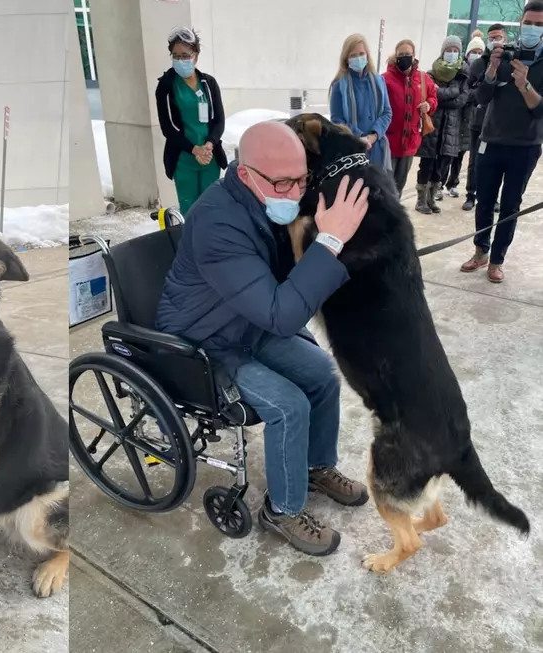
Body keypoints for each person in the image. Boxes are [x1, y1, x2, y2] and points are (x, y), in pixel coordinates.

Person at [155, 121, 371, 557]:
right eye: (283, 183)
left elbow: (276, 301)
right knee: (288, 406)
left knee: (323, 375)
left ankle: (314, 466)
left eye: (301, 179)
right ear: (244, 173)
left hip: (246, 322)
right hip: (204, 342)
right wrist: (329, 241)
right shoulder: (218, 224)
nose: (295, 193)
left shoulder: (265, 195)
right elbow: (281, 312)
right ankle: (283, 510)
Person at [463, 1, 543, 283]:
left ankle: (497, 259)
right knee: (484, 200)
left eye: (539, 25)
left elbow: (540, 111)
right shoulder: (504, 55)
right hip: (491, 140)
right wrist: (492, 70)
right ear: (520, 23)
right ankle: (480, 250)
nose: (532, 29)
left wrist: (525, 85)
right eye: (529, 22)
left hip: (525, 146)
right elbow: (481, 99)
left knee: (510, 205)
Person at [155, 26, 228, 216]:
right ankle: (192, 245)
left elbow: (219, 120)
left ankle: (211, 245)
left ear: (196, 55)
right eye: (176, 55)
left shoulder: (208, 83)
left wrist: (209, 145)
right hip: (184, 159)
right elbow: (167, 127)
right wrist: (194, 149)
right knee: (190, 212)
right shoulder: (166, 85)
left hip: (209, 158)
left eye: (185, 55)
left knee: (211, 210)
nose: (180, 60)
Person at [414, 35, 472, 215]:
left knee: (442, 165)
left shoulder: (463, 75)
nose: (452, 54)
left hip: (452, 129)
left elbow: (461, 100)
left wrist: (442, 94)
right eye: (449, 50)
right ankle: (421, 200)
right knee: (427, 164)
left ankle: (432, 199)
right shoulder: (430, 74)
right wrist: (449, 95)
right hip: (433, 126)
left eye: (455, 51)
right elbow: (430, 96)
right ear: (443, 52)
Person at [382, 38, 438, 197]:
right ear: (395, 56)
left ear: (414, 56)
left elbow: (433, 97)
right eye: (401, 54)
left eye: (408, 54)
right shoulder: (385, 79)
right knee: (387, 185)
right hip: (390, 141)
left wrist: (429, 105)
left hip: (410, 142)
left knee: (399, 185)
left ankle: (394, 216)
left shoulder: (423, 78)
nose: (404, 57)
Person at [329, 34, 394, 172]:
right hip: (352, 149)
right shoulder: (339, 85)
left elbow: (387, 112)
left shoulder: (379, 81)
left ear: (367, 55)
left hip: (377, 148)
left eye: (361, 53)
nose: (358, 58)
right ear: (346, 59)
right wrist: (360, 137)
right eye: (353, 55)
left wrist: (373, 136)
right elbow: (337, 120)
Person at [464, 24, 508, 213]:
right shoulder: (478, 64)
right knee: (475, 161)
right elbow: (470, 91)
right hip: (479, 122)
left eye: (498, 37)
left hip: (501, 124)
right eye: (491, 38)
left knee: (498, 164)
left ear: (505, 39)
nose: (495, 41)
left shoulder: (510, 62)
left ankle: (493, 198)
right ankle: (470, 194)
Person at [441, 33, 485, 200]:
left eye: (480, 52)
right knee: (446, 154)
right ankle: (440, 183)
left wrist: (463, 95)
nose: (477, 55)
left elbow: (468, 95)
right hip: (453, 118)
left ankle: (453, 183)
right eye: (474, 51)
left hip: (470, 120)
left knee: (460, 156)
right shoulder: (460, 71)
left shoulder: (469, 72)